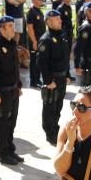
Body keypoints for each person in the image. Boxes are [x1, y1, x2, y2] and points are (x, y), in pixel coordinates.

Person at [0, 17, 24, 166]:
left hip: (13, 91)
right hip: (1, 94)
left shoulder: (13, 45)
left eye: (13, 25)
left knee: (12, 122)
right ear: (1, 30)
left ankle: (9, 149)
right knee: (2, 123)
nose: (13, 28)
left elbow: (16, 68)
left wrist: (18, 85)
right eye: (9, 26)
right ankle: (2, 153)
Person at [38, 11, 72, 145]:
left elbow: (65, 58)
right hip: (52, 79)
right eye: (56, 19)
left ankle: (55, 127)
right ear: (48, 22)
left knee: (58, 105)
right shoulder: (46, 39)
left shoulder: (62, 36)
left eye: (59, 18)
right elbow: (42, 62)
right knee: (50, 107)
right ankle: (49, 133)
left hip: (62, 78)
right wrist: (48, 81)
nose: (60, 20)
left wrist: (67, 74)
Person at [26, 0, 46, 88]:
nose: (41, 0)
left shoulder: (39, 11)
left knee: (39, 61)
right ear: (34, 0)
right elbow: (29, 28)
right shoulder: (31, 12)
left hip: (40, 41)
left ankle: (37, 79)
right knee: (34, 61)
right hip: (35, 41)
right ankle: (33, 81)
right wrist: (34, 41)